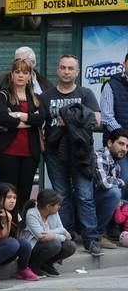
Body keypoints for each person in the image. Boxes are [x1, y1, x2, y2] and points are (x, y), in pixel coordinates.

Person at [40, 55, 102, 255]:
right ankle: (67, 236)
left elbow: (97, 120)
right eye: (63, 67)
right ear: (57, 70)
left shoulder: (86, 94)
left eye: (70, 68)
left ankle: (91, 238)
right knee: (61, 196)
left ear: (76, 72)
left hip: (81, 153)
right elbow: (39, 123)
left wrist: (69, 117)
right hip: (54, 152)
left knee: (85, 195)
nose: (66, 71)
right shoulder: (46, 96)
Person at [0, 59, 45, 213]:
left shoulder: (36, 97)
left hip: (30, 152)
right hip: (7, 151)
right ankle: (7, 227)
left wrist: (18, 115)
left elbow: (41, 118)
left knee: (25, 192)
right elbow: (3, 118)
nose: (21, 75)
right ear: (12, 74)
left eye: (25, 72)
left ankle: (22, 227)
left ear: (30, 76)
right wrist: (29, 120)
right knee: (8, 193)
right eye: (17, 72)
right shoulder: (2, 95)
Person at [0, 46, 53, 120]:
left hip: (36, 132)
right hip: (8, 131)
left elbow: (48, 112)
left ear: (33, 63)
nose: (20, 65)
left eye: (24, 61)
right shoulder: (2, 80)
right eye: (17, 61)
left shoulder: (45, 84)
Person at [21, 189, 77, 277]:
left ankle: (46, 264)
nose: (59, 207)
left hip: (48, 243)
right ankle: (34, 266)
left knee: (70, 246)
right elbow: (42, 236)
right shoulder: (32, 214)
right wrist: (62, 235)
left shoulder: (54, 212)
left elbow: (60, 228)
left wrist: (57, 234)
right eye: (57, 205)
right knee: (55, 244)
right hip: (33, 247)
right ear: (48, 206)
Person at [93, 128, 128, 248]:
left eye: (127, 146)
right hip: (84, 205)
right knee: (115, 193)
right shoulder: (100, 155)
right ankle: (97, 235)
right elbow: (104, 183)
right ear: (109, 143)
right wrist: (121, 182)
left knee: (118, 196)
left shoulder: (116, 165)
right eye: (121, 143)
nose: (124, 149)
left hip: (99, 200)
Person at [100, 52, 128, 183]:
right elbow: (107, 118)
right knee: (122, 181)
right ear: (124, 63)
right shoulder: (111, 84)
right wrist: (125, 137)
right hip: (118, 147)